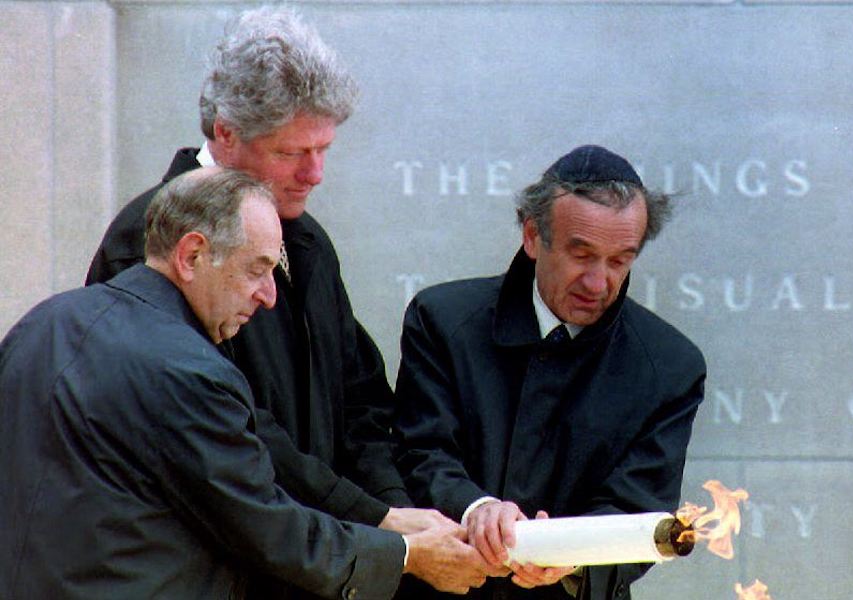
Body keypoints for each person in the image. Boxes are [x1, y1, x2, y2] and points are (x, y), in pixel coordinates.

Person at [84, 9, 448, 596]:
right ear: (225, 132)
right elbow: (229, 433)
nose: (315, 173)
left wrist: (399, 516)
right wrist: (381, 526)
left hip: (313, 565)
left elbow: (361, 404)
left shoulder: (306, 239)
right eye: (291, 153)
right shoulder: (146, 242)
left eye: (324, 148)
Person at [0, 168, 490, 599]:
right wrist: (407, 555)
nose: (269, 296)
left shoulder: (41, 323)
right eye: (257, 269)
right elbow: (274, 531)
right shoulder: (192, 371)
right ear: (192, 255)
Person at [394, 145, 707, 600]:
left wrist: (572, 555)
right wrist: (476, 509)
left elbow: (638, 506)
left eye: (620, 260)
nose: (598, 283)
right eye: (581, 255)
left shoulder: (671, 365)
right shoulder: (442, 320)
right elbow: (420, 452)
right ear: (532, 235)